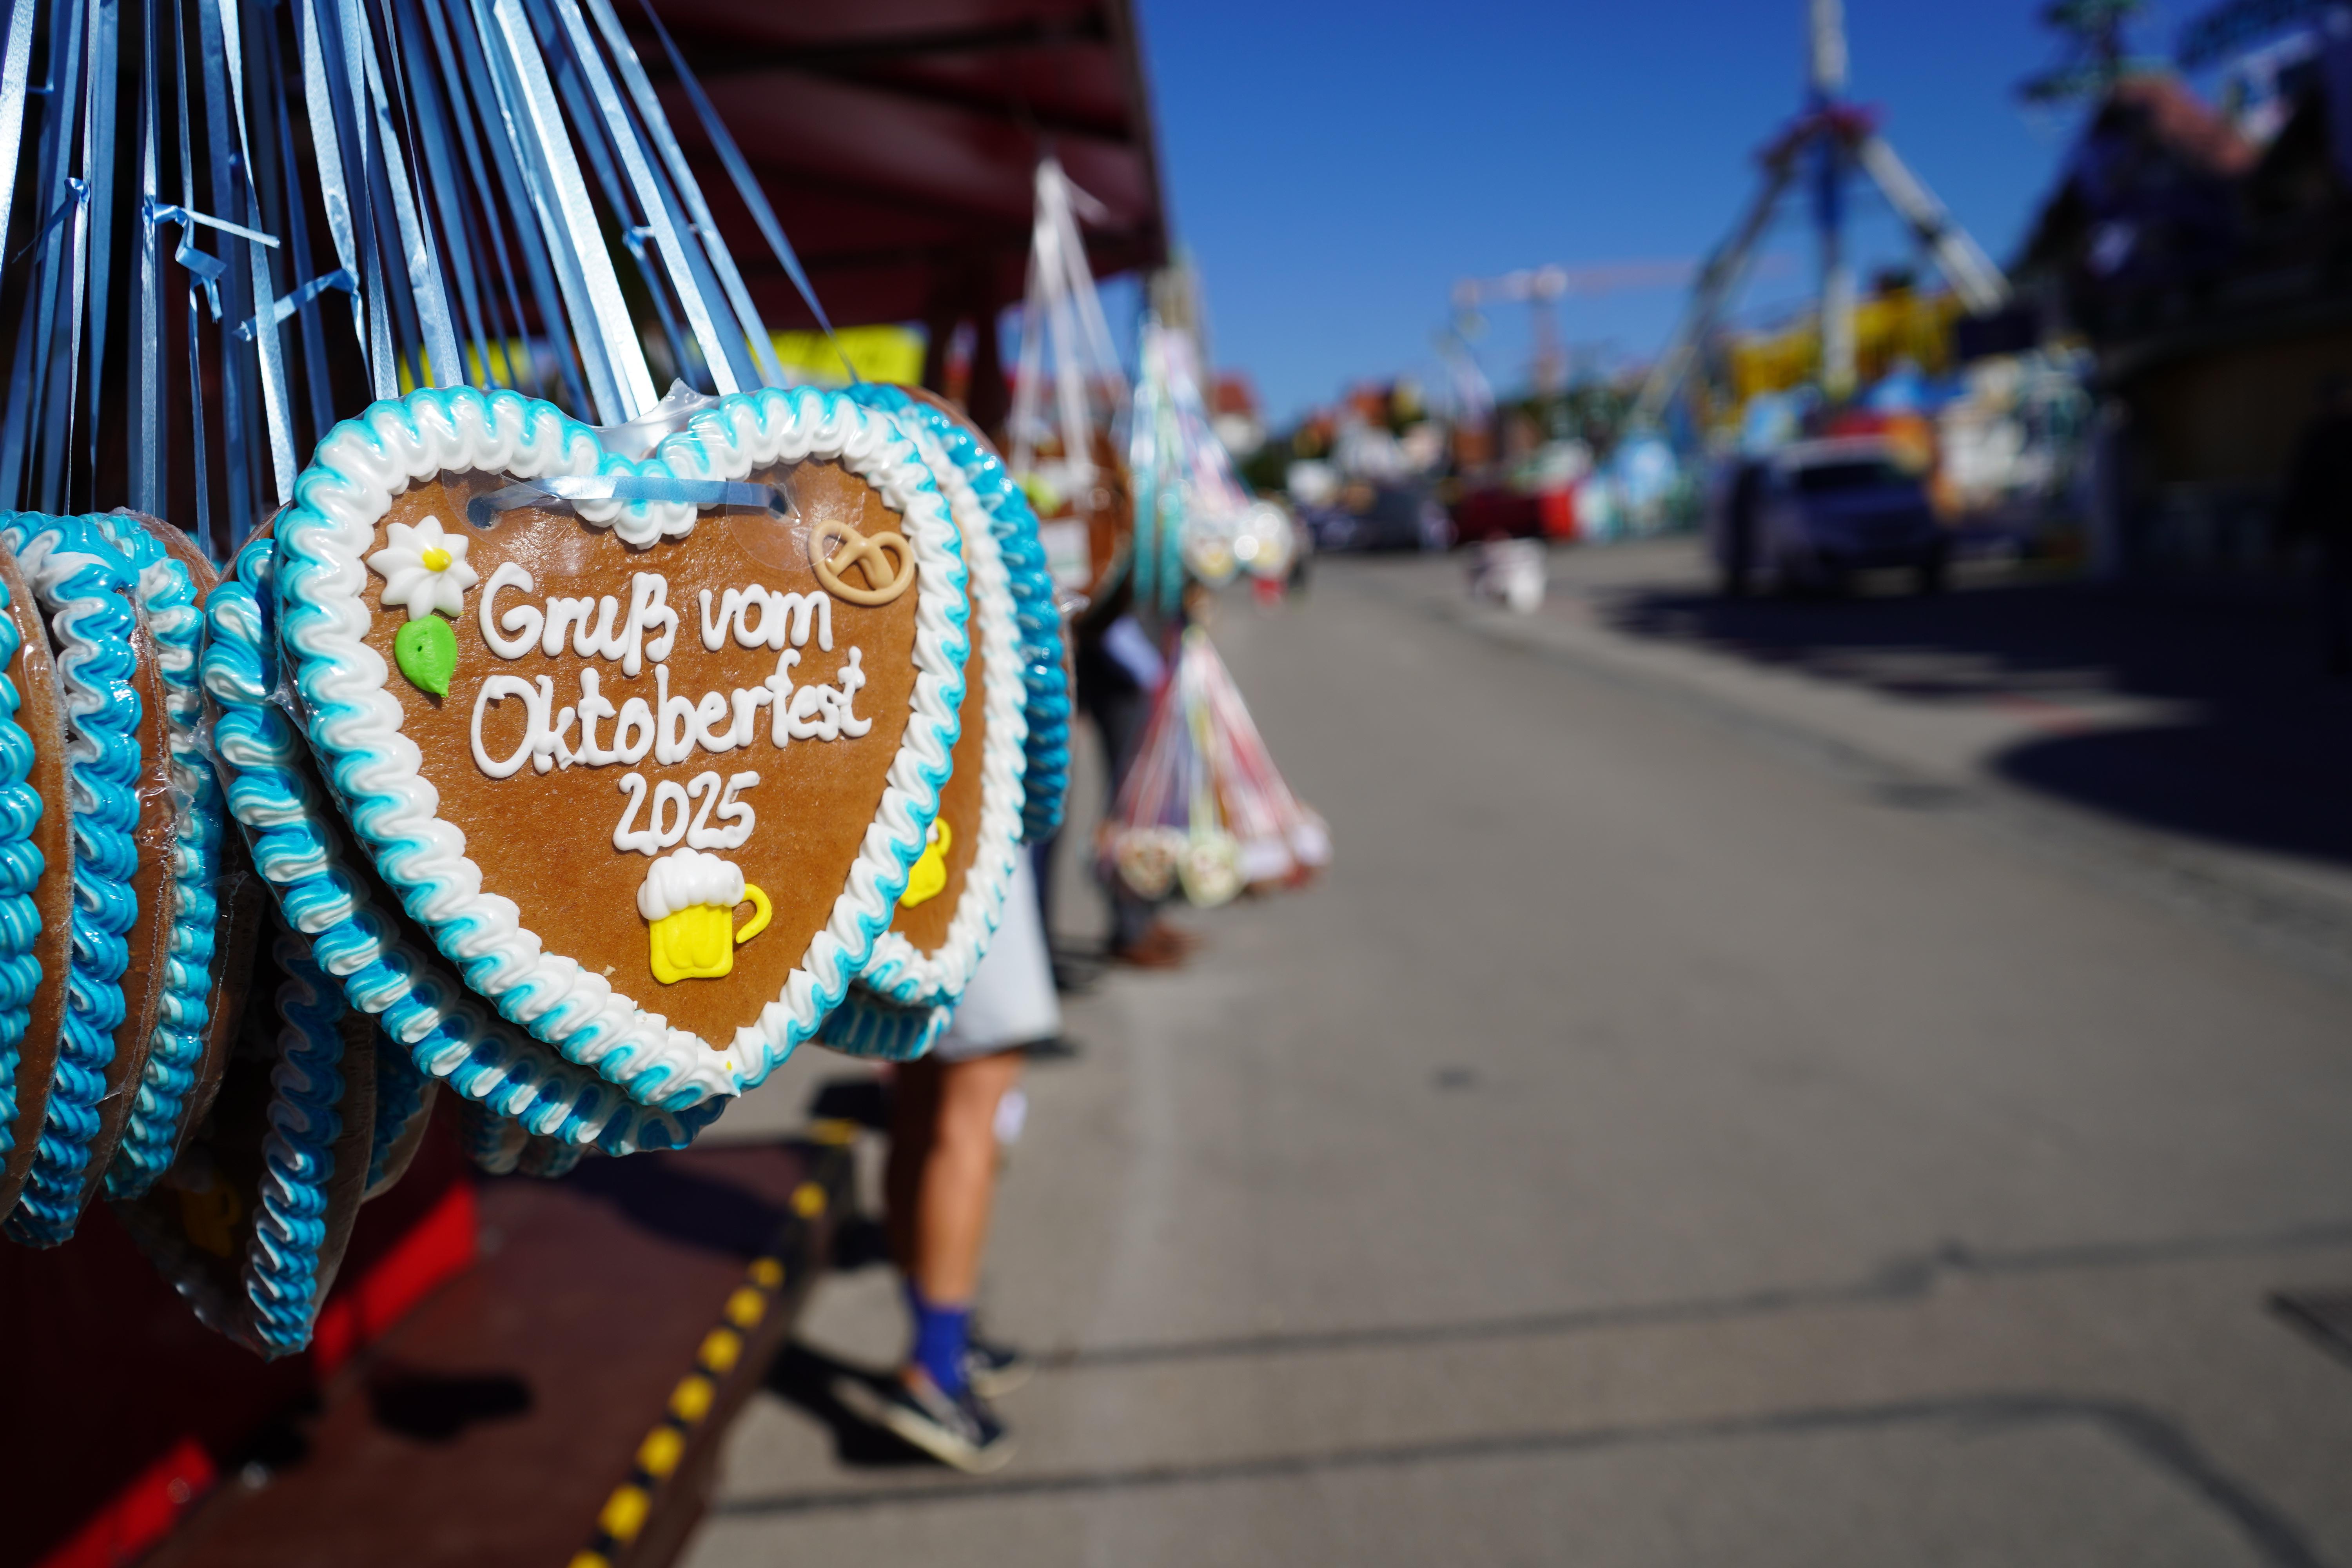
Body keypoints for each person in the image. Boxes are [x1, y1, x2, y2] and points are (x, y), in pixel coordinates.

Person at [847, 855, 1060, 1472]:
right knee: (972, 1112)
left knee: (918, 1092)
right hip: (964, 841)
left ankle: (941, 1340)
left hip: (889, 844)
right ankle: (935, 1371)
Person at [2281, 374, 2352, 673]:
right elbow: (2303, 487)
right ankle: (2341, 652)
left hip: (2334, 528)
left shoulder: (2319, 436)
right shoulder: (2321, 437)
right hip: (2336, 528)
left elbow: (2302, 487)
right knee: (2337, 592)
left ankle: (2341, 653)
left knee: (2336, 593)